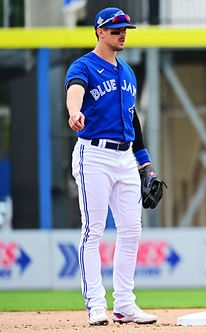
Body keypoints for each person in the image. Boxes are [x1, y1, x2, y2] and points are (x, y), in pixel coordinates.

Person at [65, 7, 161, 326]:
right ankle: (95, 304)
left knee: (132, 229)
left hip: (124, 158)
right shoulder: (85, 66)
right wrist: (75, 111)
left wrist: (145, 164)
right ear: (100, 32)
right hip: (94, 154)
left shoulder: (128, 72)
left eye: (125, 29)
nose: (122, 33)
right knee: (93, 230)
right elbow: (75, 90)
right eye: (116, 29)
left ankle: (124, 304)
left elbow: (133, 119)